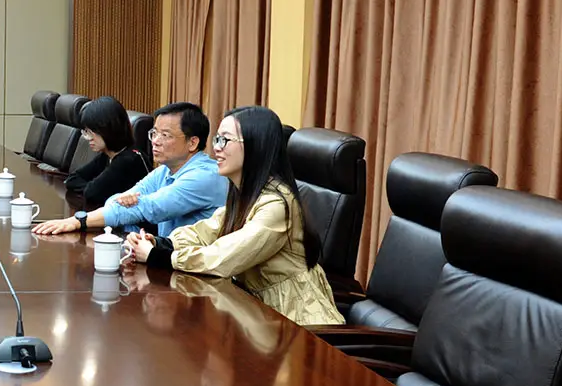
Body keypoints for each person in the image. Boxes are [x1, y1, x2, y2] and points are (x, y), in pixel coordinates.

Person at [122, 105, 343, 326]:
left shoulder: (276, 204)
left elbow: (224, 257)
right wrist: (160, 243)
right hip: (255, 314)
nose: (216, 148)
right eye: (217, 139)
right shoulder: (245, 193)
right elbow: (206, 231)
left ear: (255, 146)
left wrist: (158, 256)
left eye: (225, 140)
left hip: (298, 323)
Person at [35, 101, 228, 237]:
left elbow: (150, 208)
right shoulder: (165, 170)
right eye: (154, 133)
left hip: (197, 273)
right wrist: (126, 201)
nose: (155, 141)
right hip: (169, 257)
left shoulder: (205, 176)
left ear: (192, 143)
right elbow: (115, 201)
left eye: (165, 135)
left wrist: (77, 221)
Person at [60, 95, 148, 211]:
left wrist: (90, 188)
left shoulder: (128, 160)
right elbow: (72, 179)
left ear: (108, 129)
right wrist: (89, 188)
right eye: (86, 131)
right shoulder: (107, 155)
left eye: (91, 131)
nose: (88, 138)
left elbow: (92, 193)